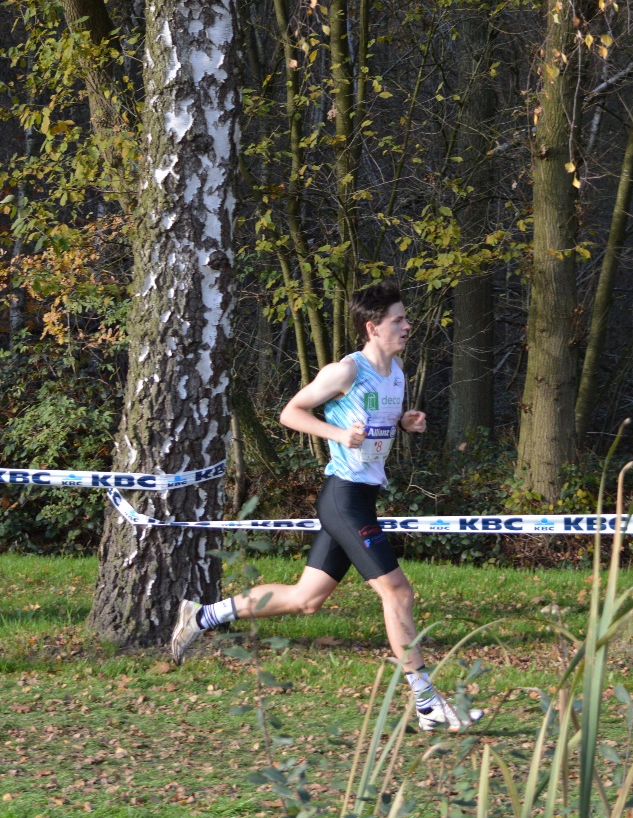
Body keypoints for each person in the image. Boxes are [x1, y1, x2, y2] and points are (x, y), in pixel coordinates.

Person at [169, 281, 481, 732]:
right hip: (343, 498)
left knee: (306, 599)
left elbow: (377, 417)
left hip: (362, 497)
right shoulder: (345, 371)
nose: (408, 326)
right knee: (398, 592)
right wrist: (339, 436)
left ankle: (200, 616)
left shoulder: (397, 373)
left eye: (406, 318)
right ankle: (428, 705)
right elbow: (291, 413)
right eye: (398, 320)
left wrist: (404, 422)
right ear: (372, 328)